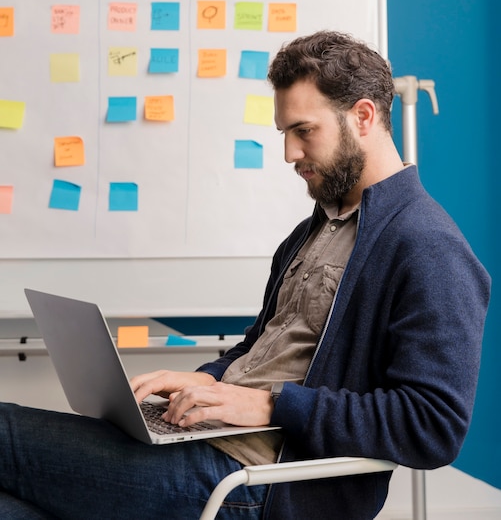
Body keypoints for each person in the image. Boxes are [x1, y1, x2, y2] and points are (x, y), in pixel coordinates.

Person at [0, 31, 490, 520]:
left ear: (363, 117)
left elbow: (434, 426)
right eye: (284, 134)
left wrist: (268, 407)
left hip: (253, 484)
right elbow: (257, 350)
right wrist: (200, 380)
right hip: (207, 445)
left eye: (304, 130)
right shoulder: (312, 231)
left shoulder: (428, 245)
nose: (289, 154)